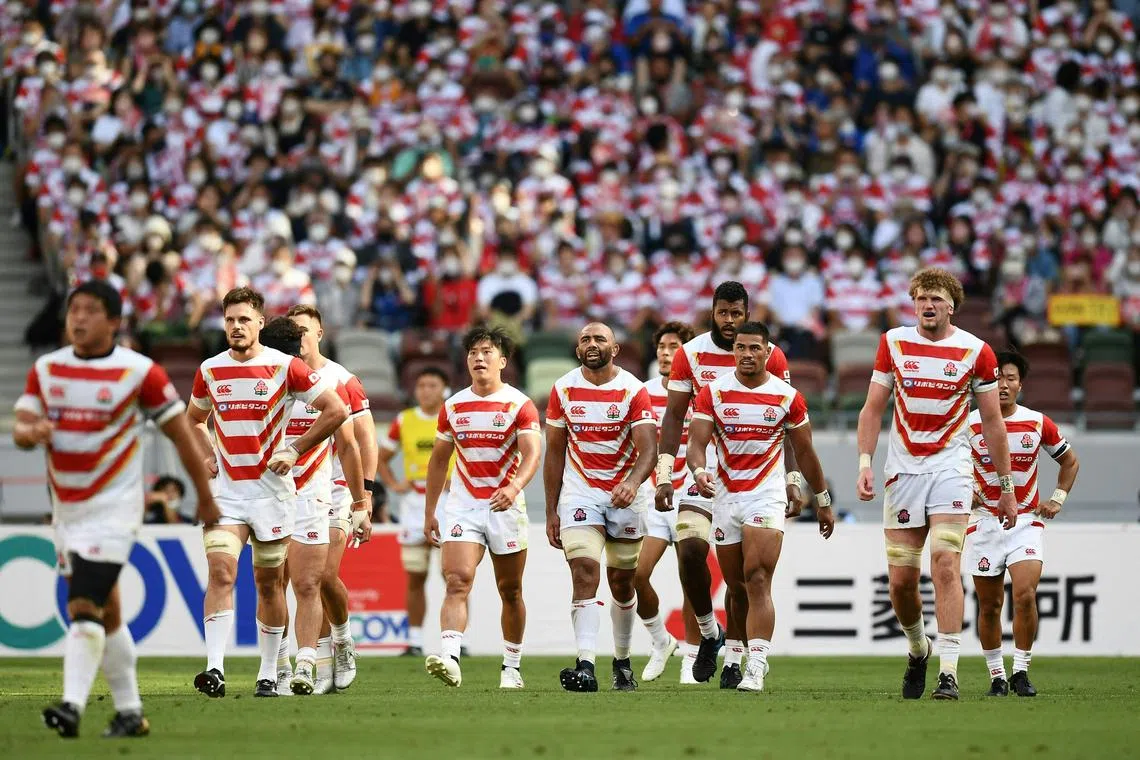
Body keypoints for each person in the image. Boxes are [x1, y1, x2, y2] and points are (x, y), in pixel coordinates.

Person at [15, 281, 219, 739]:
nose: (78, 318)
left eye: (90, 310)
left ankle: (70, 706)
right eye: (74, 310)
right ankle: (130, 712)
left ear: (113, 321)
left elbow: (181, 435)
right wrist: (33, 433)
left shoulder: (140, 372)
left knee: (83, 604)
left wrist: (204, 496)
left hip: (115, 508)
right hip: (67, 510)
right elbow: (21, 428)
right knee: (107, 613)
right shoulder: (46, 370)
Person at [856, 267, 1018, 701]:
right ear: (914, 303)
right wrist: (865, 462)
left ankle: (949, 672)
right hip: (903, 472)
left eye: (936, 298)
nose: (928, 305)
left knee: (946, 566)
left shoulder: (976, 351)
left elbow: (992, 421)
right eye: (921, 297)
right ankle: (917, 649)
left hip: (952, 469)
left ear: (952, 305)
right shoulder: (893, 342)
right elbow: (873, 408)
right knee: (901, 584)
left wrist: (1005, 486)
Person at [188, 287, 348, 699]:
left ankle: (266, 672)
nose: (236, 327)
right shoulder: (209, 369)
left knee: (269, 585)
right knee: (221, 572)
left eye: (244, 319)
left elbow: (336, 410)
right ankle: (215, 669)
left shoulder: (285, 367)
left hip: (273, 496)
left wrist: (294, 449)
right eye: (229, 320)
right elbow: (193, 420)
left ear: (260, 323)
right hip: (227, 494)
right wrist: (208, 456)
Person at [655, 281, 803, 688]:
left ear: (747, 312)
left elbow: (790, 424)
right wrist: (665, 473)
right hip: (699, 467)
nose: (730, 322)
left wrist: (792, 478)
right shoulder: (690, 354)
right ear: (713, 311)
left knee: (743, 580)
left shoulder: (769, 355)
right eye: (723, 313)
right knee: (688, 550)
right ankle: (708, 632)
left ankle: (737, 656)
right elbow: (672, 417)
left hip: (755, 474)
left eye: (737, 314)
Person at [687, 321, 835, 692]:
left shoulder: (787, 396)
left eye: (755, 348)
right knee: (736, 587)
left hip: (766, 496)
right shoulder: (714, 393)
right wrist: (699, 469)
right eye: (741, 348)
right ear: (733, 350)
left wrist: (822, 499)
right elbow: (696, 442)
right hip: (725, 497)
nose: (747, 355)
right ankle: (734, 654)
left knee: (757, 578)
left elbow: (804, 452)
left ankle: (756, 664)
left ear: (768, 353)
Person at [256, 312, 371, 696]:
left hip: (329, 490)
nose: (299, 337)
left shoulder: (336, 383)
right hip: (274, 493)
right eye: (294, 331)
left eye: (305, 330)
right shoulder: (259, 384)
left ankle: (336, 645)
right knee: (277, 582)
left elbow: (356, 444)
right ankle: (284, 667)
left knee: (318, 577)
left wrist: (362, 499)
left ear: (318, 333)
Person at [422, 326, 542, 689]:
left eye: (487, 352)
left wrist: (514, 486)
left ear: (502, 361)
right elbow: (438, 461)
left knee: (511, 591)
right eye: (473, 352)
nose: (479, 358)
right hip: (463, 505)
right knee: (457, 580)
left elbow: (532, 452)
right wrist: (431, 510)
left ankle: (511, 667)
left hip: (506, 507)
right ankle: (451, 658)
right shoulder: (453, 406)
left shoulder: (519, 404)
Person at [544, 322, 659, 692]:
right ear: (578, 350)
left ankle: (622, 662)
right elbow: (555, 454)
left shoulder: (633, 389)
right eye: (585, 340)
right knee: (584, 572)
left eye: (600, 339)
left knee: (622, 583)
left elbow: (649, 449)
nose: (592, 344)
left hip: (626, 495)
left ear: (616, 349)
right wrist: (551, 509)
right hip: (580, 494)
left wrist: (632, 482)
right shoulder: (563, 389)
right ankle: (586, 664)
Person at [966, 351, 1079, 698]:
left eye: (1010, 378)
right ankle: (997, 676)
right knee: (989, 606)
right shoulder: (968, 424)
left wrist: (1057, 498)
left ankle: (1021, 671)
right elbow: (950, 465)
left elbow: (1070, 462)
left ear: (1020, 385)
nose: (1003, 384)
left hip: (1026, 521)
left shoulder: (1036, 422)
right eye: (997, 378)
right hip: (983, 523)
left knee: (1026, 595)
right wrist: (964, 490)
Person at [636, 320, 701, 684]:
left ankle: (691, 658)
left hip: (691, 495)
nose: (665, 353)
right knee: (636, 576)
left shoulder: (700, 394)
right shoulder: (643, 393)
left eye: (673, 347)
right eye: (661, 347)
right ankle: (662, 640)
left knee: (691, 579)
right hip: (652, 497)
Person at [378, 366, 453, 657]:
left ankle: (459, 641)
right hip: (414, 502)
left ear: (444, 389)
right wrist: (395, 484)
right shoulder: (403, 420)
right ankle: (415, 640)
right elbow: (381, 457)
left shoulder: (455, 415)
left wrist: (458, 479)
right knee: (415, 575)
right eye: (421, 385)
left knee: (454, 575)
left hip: (449, 502)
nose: (425, 390)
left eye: (432, 385)